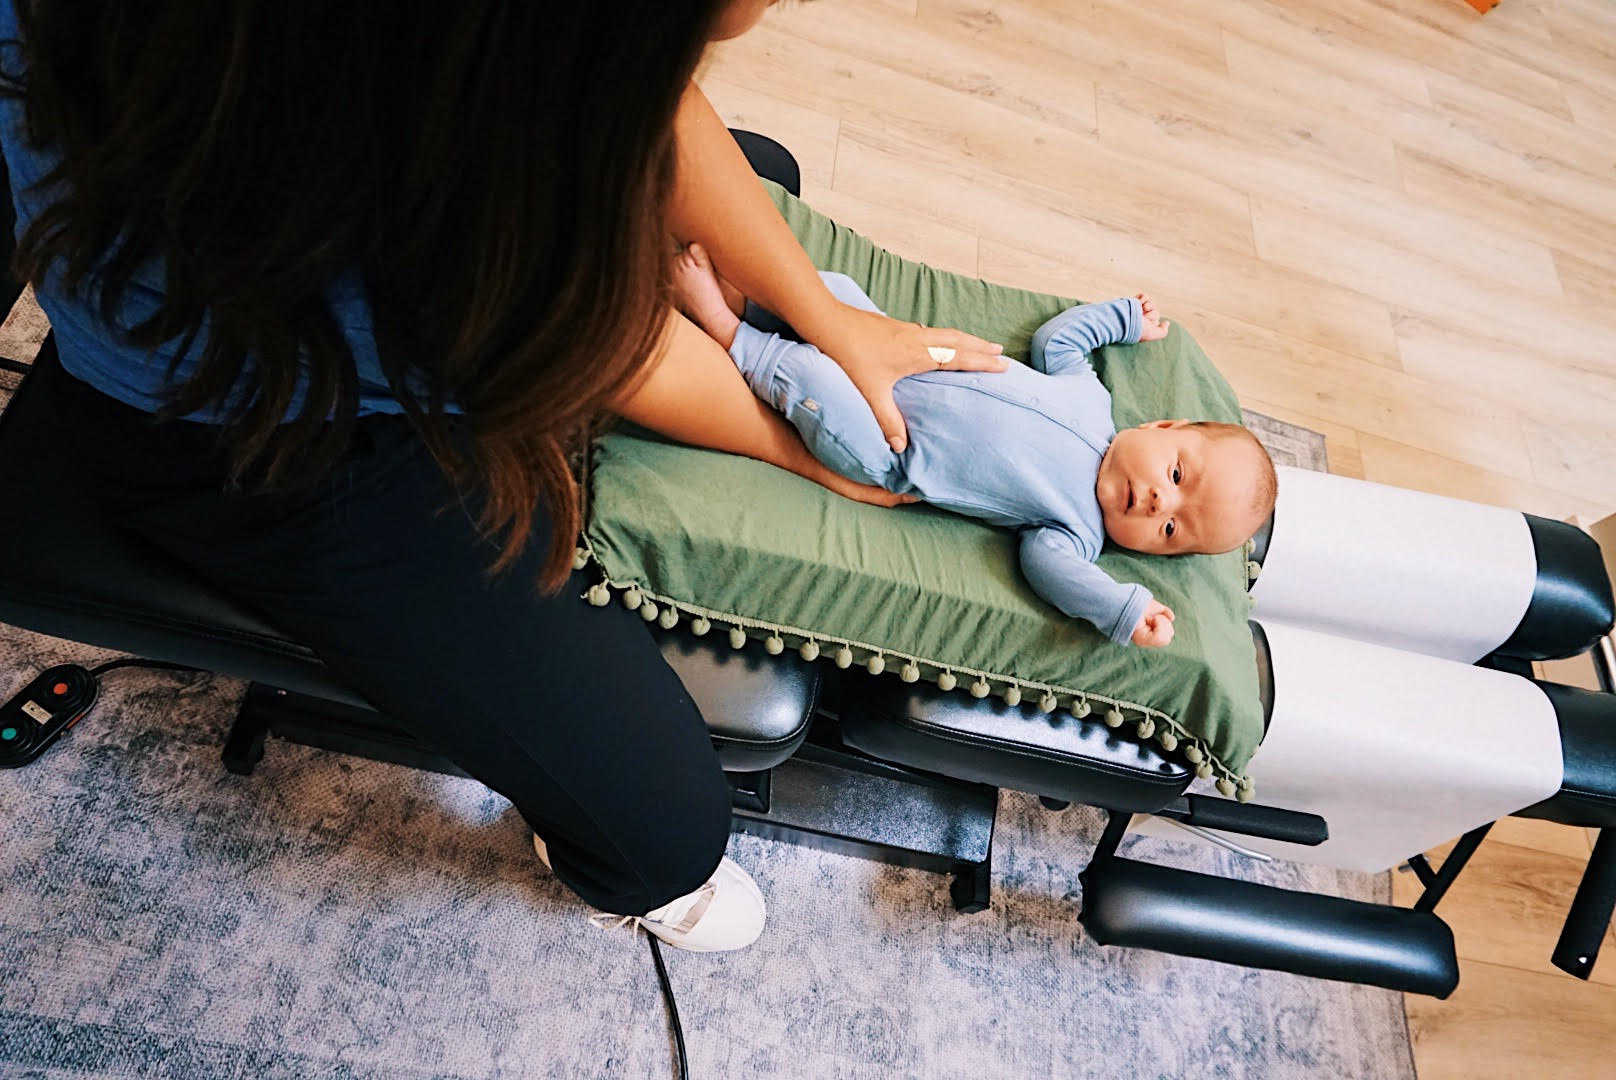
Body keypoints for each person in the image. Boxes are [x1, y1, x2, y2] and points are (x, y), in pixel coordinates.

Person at [0, 0, 1007, 952]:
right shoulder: (400, 138)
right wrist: (799, 441)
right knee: (663, 842)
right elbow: (592, 340)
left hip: (391, 275)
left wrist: (832, 325)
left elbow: (641, 103)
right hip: (245, 435)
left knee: (747, 181)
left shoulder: (491, 54)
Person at [672, 245, 1279, 648]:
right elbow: (1059, 342)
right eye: (1177, 477)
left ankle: (728, 330)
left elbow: (1052, 573)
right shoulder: (1090, 398)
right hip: (903, 356)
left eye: (1170, 531)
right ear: (1163, 427)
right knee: (838, 295)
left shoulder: (1075, 532)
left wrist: (1122, 609)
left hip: (887, 444)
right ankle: (745, 300)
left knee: (816, 386)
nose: (1158, 504)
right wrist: (1122, 320)